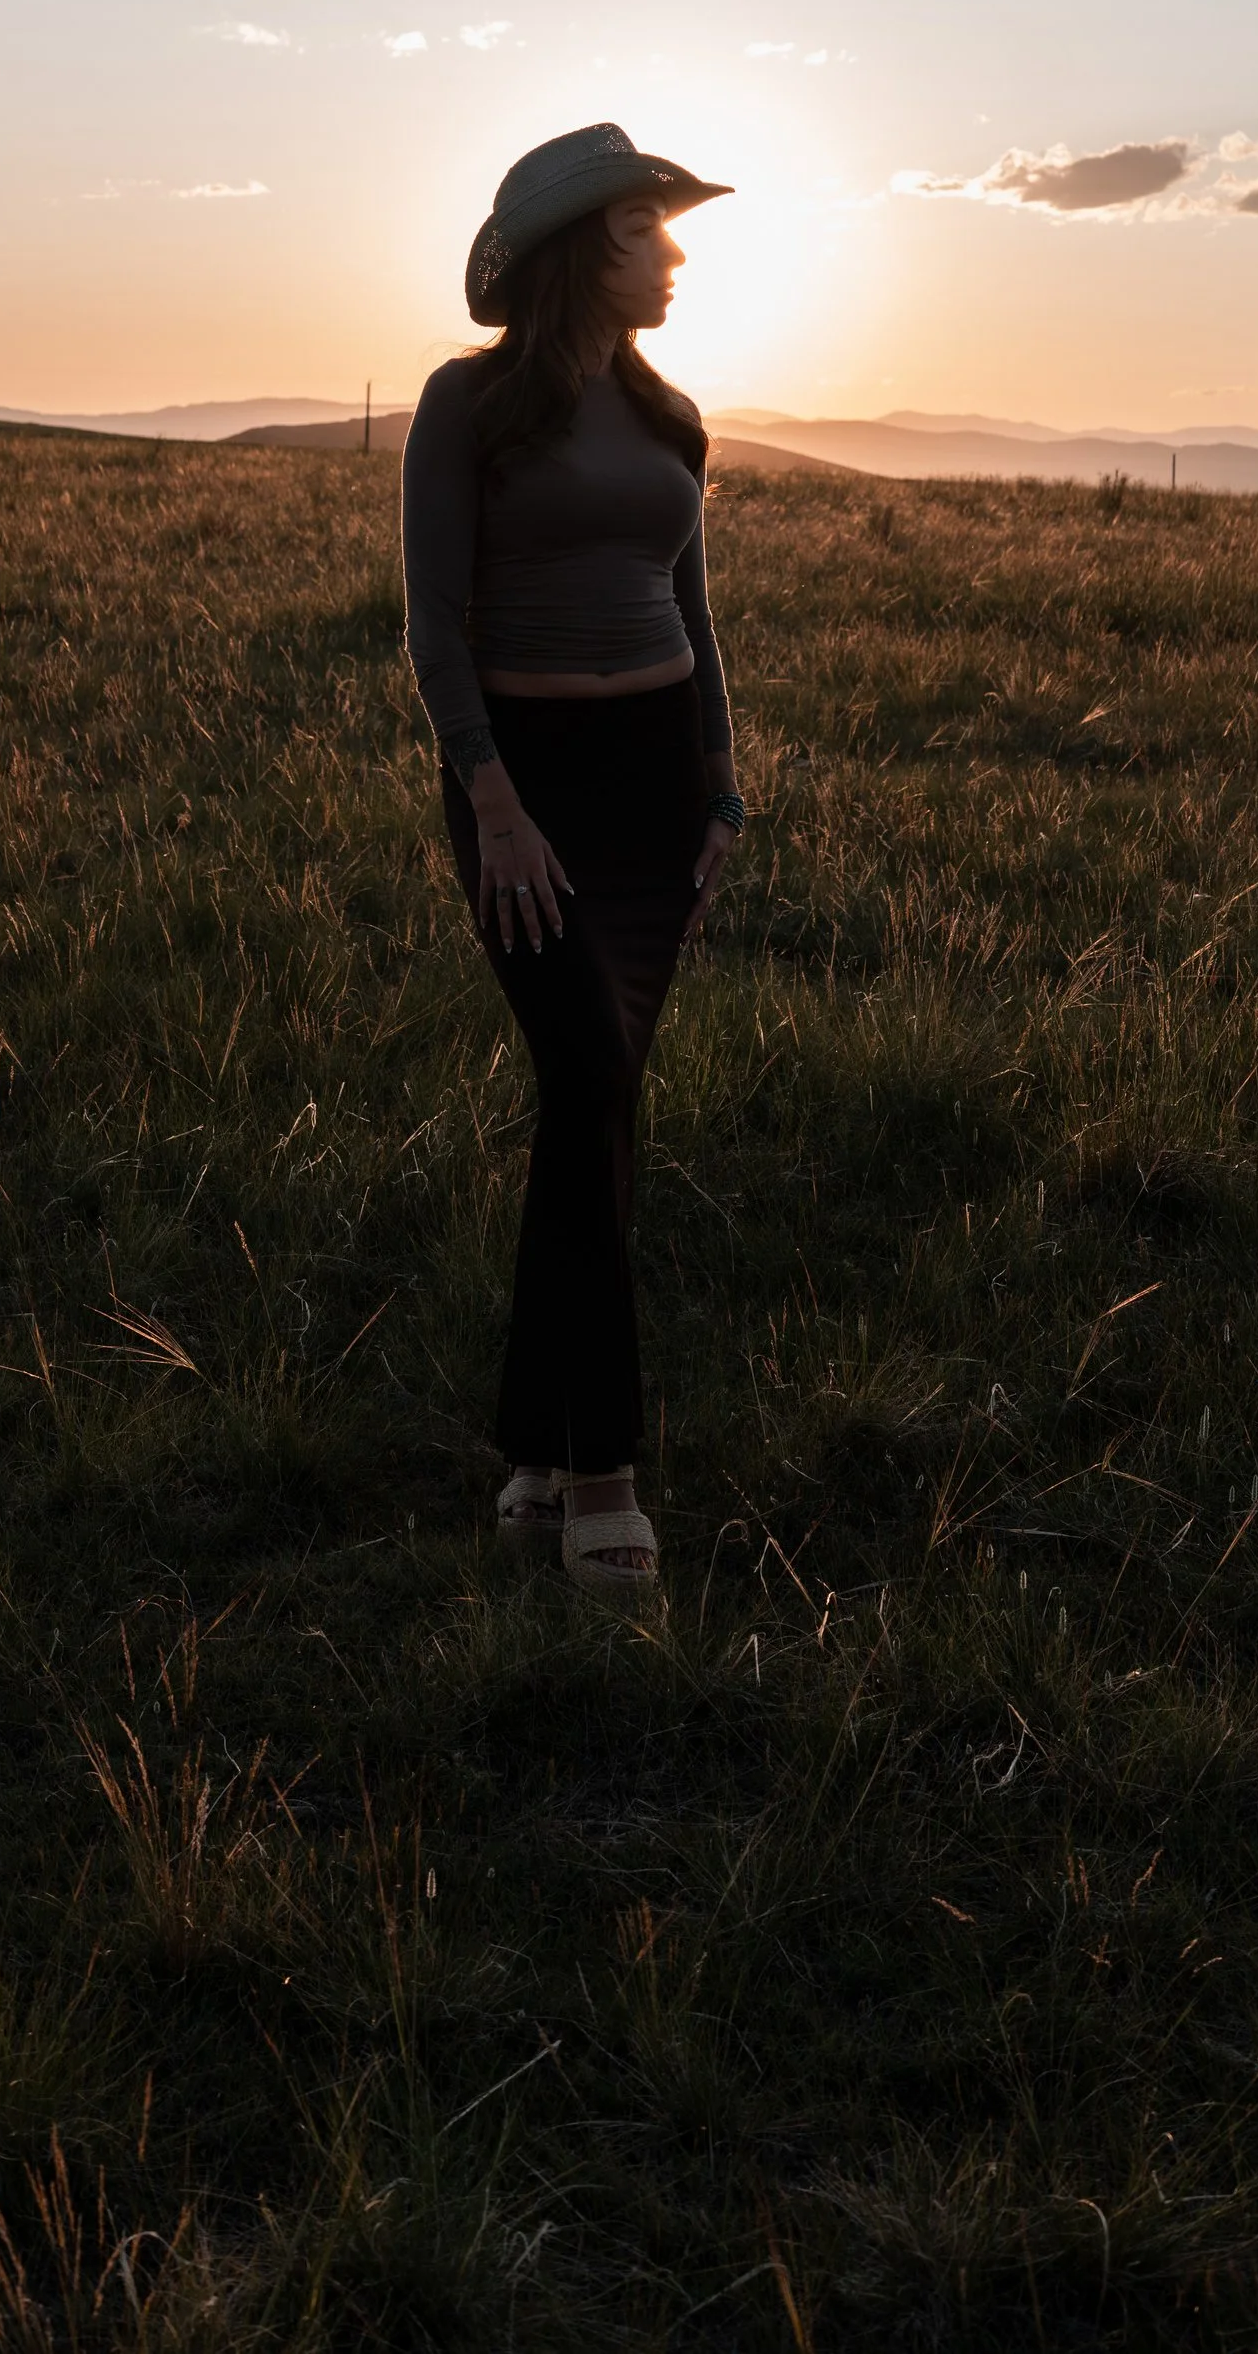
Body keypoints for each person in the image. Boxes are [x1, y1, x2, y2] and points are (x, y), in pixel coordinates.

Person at [401, 121, 745, 1602]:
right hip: (526, 792)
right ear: (578, 249)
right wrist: (492, 801)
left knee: (588, 1106)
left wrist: (721, 791)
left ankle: (535, 1449)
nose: (674, 253)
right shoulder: (466, 407)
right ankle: (602, 1462)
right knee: (592, 1082)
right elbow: (436, 624)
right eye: (647, 229)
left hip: (656, 789)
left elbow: (697, 613)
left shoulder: (670, 420)